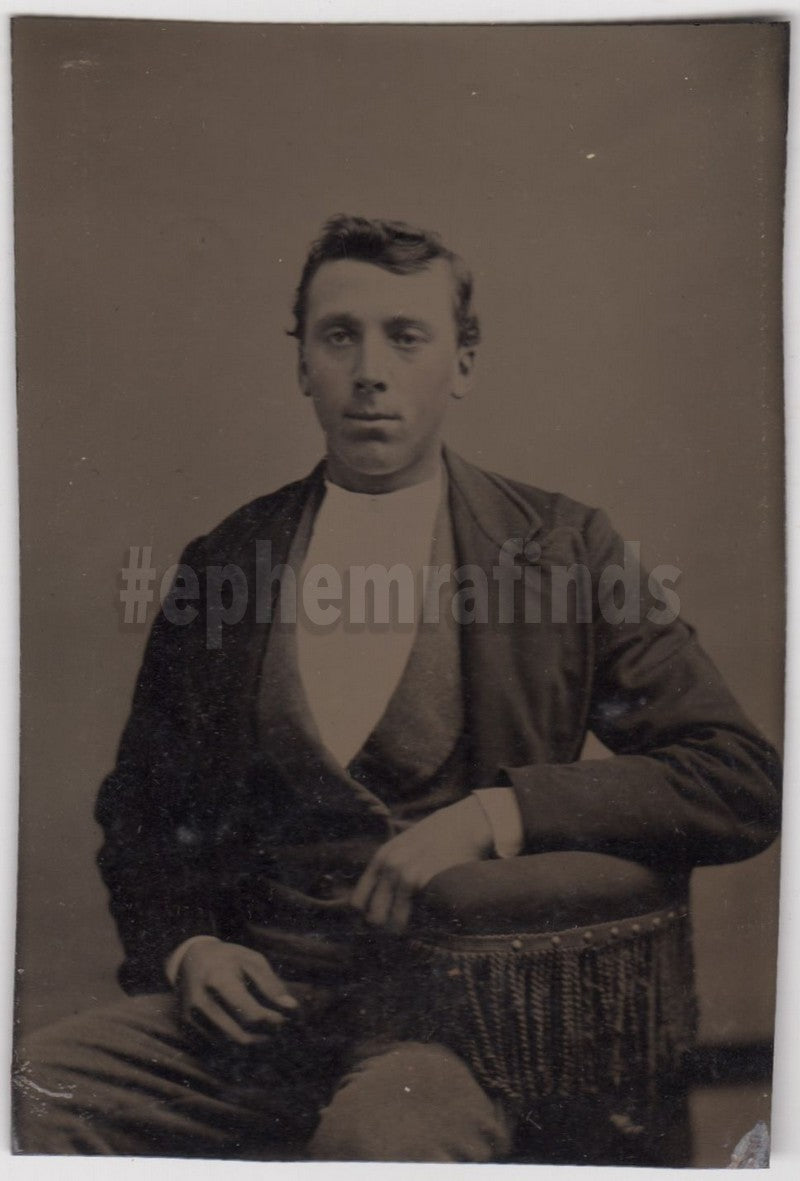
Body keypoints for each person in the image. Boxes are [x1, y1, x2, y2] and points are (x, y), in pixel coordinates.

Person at [13, 215, 781, 1162]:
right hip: (258, 1023)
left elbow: (739, 777)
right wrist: (189, 948)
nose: (370, 371)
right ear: (303, 364)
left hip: (453, 1032)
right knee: (34, 1093)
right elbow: (140, 811)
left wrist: (498, 814)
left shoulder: (564, 551)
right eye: (340, 336)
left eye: (406, 337)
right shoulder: (227, 562)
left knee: (381, 1144)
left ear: (462, 364)